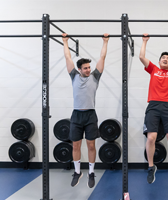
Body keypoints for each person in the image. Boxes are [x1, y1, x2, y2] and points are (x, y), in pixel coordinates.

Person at [62, 33, 108, 188]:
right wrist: (65, 41)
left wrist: (105, 42)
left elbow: (102, 58)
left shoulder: (95, 77)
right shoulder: (74, 76)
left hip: (90, 115)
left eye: (89, 67)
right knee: (75, 145)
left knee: (91, 145)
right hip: (76, 114)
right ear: (79, 69)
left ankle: (91, 172)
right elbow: (68, 58)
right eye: (86, 68)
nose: (88, 70)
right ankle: (77, 172)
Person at [139, 33, 168, 183]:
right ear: (159, 61)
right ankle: (151, 167)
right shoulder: (153, 70)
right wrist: (144, 41)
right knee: (151, 137)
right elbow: (141, 57)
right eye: (163, 58)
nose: (165, 59)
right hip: (153, 105)